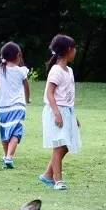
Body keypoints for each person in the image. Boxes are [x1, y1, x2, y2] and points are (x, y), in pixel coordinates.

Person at [0, 41, 31, 169]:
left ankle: (7, 155)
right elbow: (26, 87)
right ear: (18, 55)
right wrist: (27, 99)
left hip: (2, 107)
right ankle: (9, 156)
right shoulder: (21, 71)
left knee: (4, 132)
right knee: (16, 132)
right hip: (18, 106)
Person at [41, 34, 80, 191]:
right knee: (59, 146)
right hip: (56, 111)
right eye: (74, 48)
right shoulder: (56, 70)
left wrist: (73, 117)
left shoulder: (69, 70)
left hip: (67, 111)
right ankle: (58, 181)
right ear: (69, 50)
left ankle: (47, 175)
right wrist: (57, 113)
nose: (76, 51)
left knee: (66, 146)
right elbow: (50, 93)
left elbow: (68, 97)